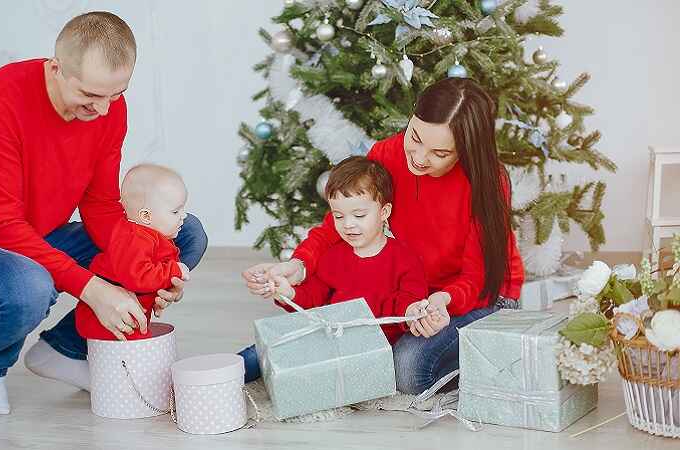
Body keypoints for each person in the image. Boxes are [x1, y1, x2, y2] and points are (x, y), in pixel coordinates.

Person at [0, 12, 207, 416]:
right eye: (91, 95)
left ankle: (62, 350)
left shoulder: (107, 108)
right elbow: (1, 225)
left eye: (116, 94)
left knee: (183, 233)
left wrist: (148, 266)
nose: (104, 110)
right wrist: (94, 289)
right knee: (27, 284)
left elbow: (102, 205)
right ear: (56, 69)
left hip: (39, 238)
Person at [243, 77, 523, 394]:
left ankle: (501, 357)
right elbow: (337, 225)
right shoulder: (387, 155)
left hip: (479, 297)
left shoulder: (487, 181)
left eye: (440, 153)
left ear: (465, 150)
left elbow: (477, 277)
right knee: (341, 340)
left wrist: (442, 301)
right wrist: (299, 265)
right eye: (415, 137)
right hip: (416, 293)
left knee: (408, 370)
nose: (418, 157)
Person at [238, 156, 429, 382]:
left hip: (374, 349)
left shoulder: (405, 260)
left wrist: (412, 311)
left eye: (359, 215)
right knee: (262, 351)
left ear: (384, 212)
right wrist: (287, 292)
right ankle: (218, 379)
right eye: (338, 216)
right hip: (329, 339)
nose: (348, 224)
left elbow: (408, 303)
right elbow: (313, 298)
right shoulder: (334, 256)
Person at [76, 164, 191, 341]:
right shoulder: (135, 240)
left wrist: (171, 285)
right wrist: (174, 271)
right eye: (175, 211)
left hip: (130, 314)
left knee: (136, 343)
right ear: (146, 216)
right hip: (110, 317)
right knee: (134, 350)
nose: (183, 215)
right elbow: (139, 277)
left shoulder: (153, 236)